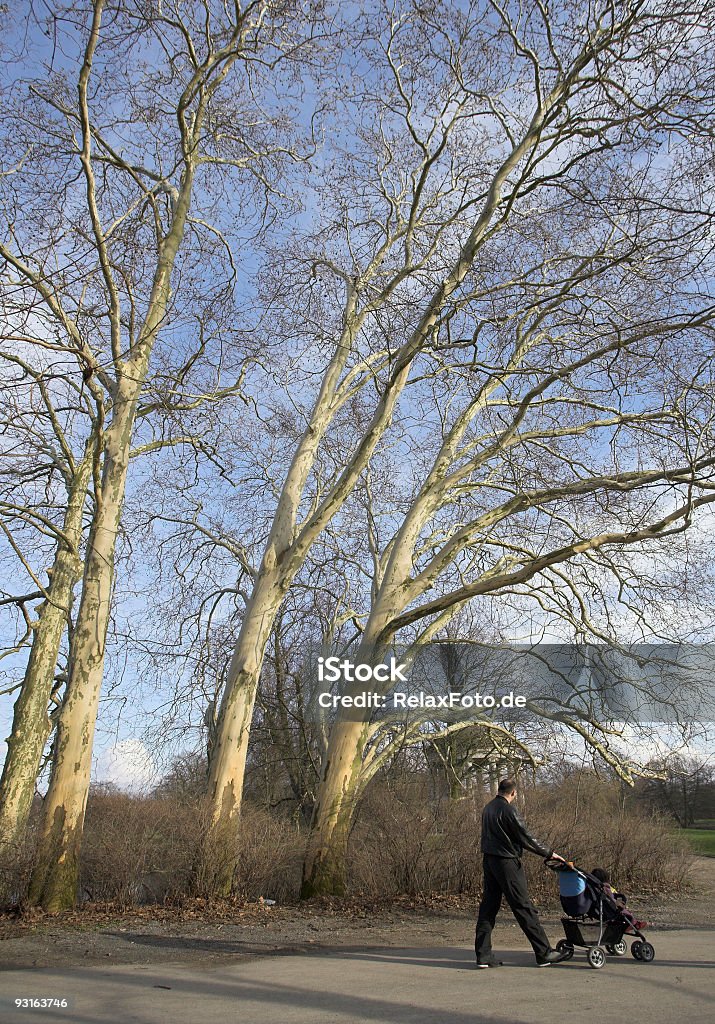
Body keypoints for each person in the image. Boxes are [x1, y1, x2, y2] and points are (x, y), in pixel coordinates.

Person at [475, 779, 569, 968]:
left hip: (490, 861)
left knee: (488, 907)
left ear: (499, 790)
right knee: (523, 906)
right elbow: (526, 838)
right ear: (513, 793)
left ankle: (483, 955)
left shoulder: (488, 808)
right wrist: (550, 853)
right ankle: (544, 953)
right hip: (507, 862)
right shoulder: (509, 811)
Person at [590, 867, 649, 932]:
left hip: (603, 909)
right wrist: (619, 903)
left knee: (622, 910)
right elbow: (610, 898)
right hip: (610, 909)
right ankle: (634, 924)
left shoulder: (594, 888)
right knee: (626, 913)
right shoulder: (605, 888)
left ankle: (634, 923)